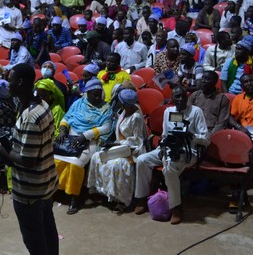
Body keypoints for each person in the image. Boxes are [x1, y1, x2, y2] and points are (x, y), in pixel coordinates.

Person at [0, 63, 59, 255]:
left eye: (10, 80)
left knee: (35, 241)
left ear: (20, 82)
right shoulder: (42, 104)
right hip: (46, 183)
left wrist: (2, 152)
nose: (7, 84)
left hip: (30, 189)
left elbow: (28, 160)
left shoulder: (31, 117)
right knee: (47, 230)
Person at [133, 85, 209, 225]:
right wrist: (162, 146)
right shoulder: (169, 111)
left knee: (169, 169)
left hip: (188, 151)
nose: (180, 99)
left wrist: (192, 136)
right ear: (172, 99)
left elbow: (206, 140)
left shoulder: (196, 112)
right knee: (142, 160)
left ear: (187, 97)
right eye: (177, 97)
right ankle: (142, 198)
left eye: (182, 96)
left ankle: (176, 208)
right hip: (168, 148)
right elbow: (164, 135)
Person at [54, 78, 112, 214]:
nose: (97, 97)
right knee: (54, 158)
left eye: (99, 94)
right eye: (94, 94)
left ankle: (75, 198)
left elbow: (106, 127)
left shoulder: (106, 108)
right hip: (71, 136)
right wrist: (63, 129)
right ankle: (56, 191)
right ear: (87, 93)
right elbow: (67, 117)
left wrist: (85, 135)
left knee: (76, 163)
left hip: (90, 139)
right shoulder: (78, 103)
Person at [88, 88, 147, 209]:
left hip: (132, 150)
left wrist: (117, 144)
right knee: (96, 156)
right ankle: (103, 192)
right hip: (120, 145)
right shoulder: (124, 111)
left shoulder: (136, 117)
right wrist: (114, 143)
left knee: (115, 164)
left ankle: (120, 199)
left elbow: (137, 141)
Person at [189, 71, 230, 135]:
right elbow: (187, 115)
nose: (203, 81)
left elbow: (222, 122)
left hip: (211, 132)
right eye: (202, 78)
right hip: (193, 131)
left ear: (215, 82)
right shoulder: (195, 95)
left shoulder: (223, 99)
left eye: (207, 79)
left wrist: (210, 136)